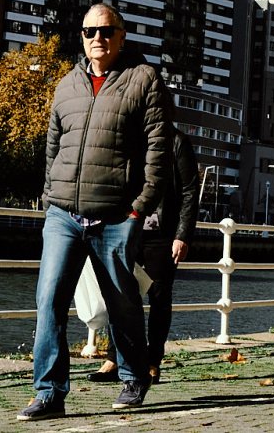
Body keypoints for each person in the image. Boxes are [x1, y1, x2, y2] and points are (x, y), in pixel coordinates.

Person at [18, 3, 170, 421]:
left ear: (122, 36)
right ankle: (49, 393)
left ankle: (134, 376)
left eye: (106, 31)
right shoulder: (66, 85)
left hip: (117, 215)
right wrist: (50, 198)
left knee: (122, 303)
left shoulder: (144, 79)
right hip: (64, 215)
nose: (97, 38)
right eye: (89, 31)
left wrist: (139, 209)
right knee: (49, 299)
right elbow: (52, 148)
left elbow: (158, 150)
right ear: (81, 37)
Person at [91, 121, 200, 384]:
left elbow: (189, 191)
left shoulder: (177, 141)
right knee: (119, 294)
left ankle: (152, 362)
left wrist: (182, 235)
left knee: (159, 298)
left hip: (162, 233)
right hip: (126, 227)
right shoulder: (130, 137)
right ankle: (115, 358)